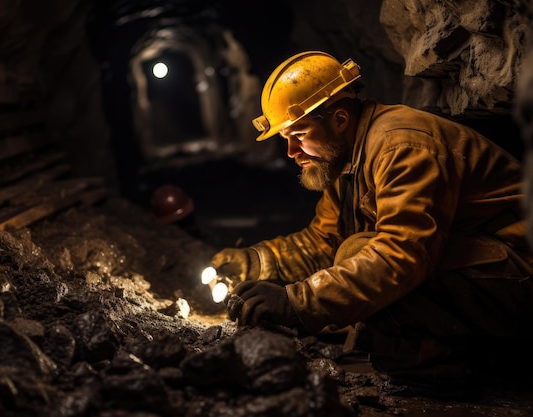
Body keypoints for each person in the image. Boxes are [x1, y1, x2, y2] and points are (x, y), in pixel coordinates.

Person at [208, 51, 533, 376]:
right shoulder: (345, 158)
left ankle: (478, 360)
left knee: (358, 253)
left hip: (520, 271)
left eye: (300, 135)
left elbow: (403, 253)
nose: (292, 152)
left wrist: (296, 302)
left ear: (339, 119)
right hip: (487, 269)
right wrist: (257, 263)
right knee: (350, 257)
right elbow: (324, 241)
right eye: (285, 139)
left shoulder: (402, 147)